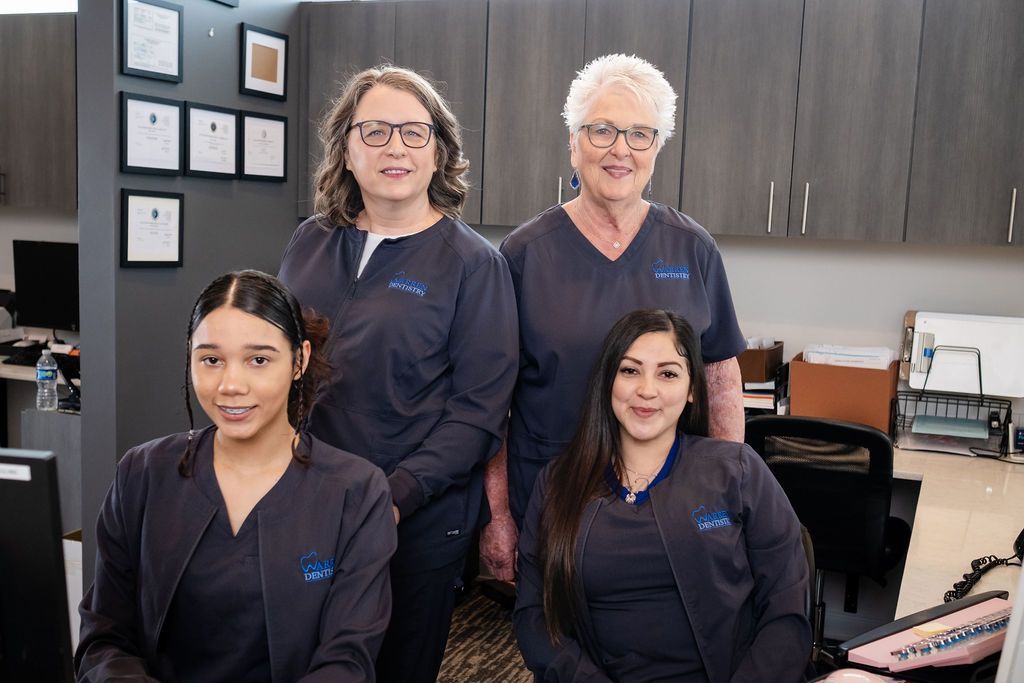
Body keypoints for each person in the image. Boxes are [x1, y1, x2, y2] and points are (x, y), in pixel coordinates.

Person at [278, 65, 518, 683]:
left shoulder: (473, 265)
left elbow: (477, 412)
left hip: (413, 518)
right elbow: (277, 363)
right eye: (375, 131)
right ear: (347, 149)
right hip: (304, 503)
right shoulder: (310, 242)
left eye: (414, 133)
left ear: (439, 153)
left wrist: (392, 496)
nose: (395, 148)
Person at [481, 53, 747, 581]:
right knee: (557, 650)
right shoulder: (524, 253)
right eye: (601, 130)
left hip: (671, 501)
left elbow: (720, 378)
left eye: (639, 134)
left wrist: (728, 486)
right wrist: (498, 515)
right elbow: (492, 400)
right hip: (554, 500)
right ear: (573, 143)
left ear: (657, 149)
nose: (620, 149)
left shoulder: (691, 248)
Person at [76, 270, 397, 682]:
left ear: (298, 360)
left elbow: (347, 662)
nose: (230, 385)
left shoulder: (357, 492)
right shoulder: (142, 473)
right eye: (211, 360)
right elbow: (103, 637)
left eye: (258, 360)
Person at [515, 309, 809, 683]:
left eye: (668, 373)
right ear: (609, 381)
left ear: (691, 390)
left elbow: (786, 606)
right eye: (630, 370)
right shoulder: (557, 483)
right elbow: (534, 617)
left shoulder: (737, 471)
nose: (647, 390)